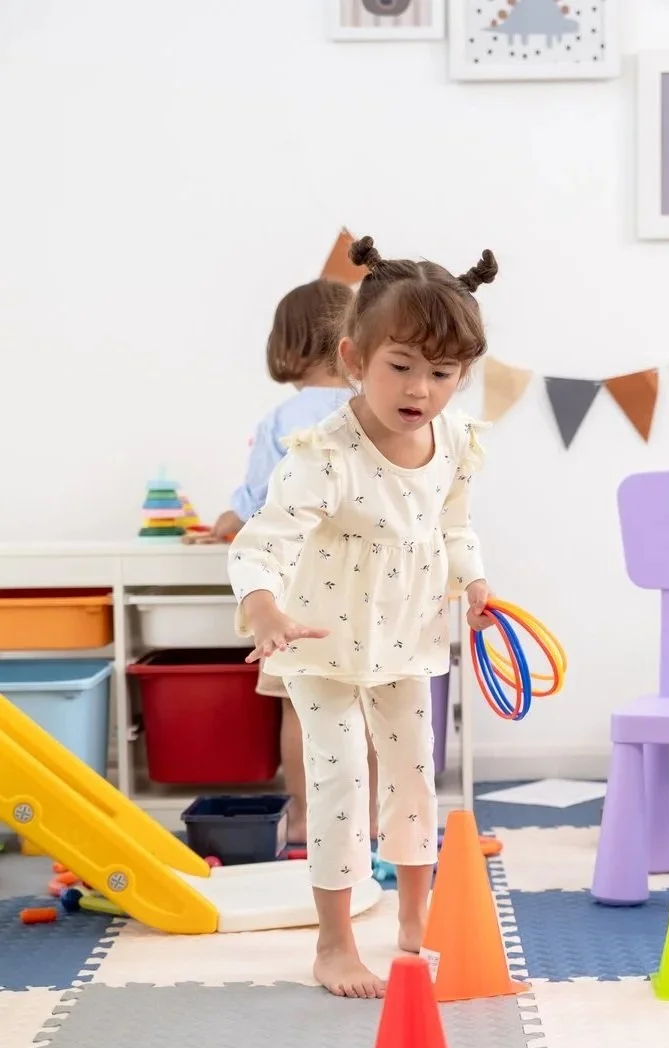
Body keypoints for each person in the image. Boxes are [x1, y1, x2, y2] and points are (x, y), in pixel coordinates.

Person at [228, 235, 497, 998]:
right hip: (320, 644)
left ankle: (414, 924)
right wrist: (264, 609)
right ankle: (335, 943)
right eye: (400, 366)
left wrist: (473, 582)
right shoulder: (323, 454)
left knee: (414, 780)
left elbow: (454, 527)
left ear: (462, 375)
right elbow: (260, 543)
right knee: (341, 781)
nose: (421, 388)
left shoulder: (452, 441)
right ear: (354, 359)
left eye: (442, 373)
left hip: (409, 638)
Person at [209, 278, 377, 846]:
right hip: (373, 587)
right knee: (374, 705)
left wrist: (225, 525)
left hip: (297, 591)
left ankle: (306, 820)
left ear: (286, 345)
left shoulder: (282, 419)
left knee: (300, 708)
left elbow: (256, 499)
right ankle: (372, 822)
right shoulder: (377, 406)